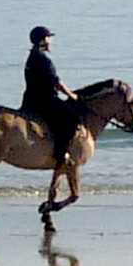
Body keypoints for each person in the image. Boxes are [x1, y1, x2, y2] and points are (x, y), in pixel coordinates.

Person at [21, 26, 82, 170]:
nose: (51, 41)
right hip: (44, 99)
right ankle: (60, 153)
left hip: (30, 98)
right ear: (44, 40)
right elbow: (56, 81)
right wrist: (71, 95)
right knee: (73, 119)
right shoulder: (43, 59)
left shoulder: (32, 57)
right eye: (49, 37)